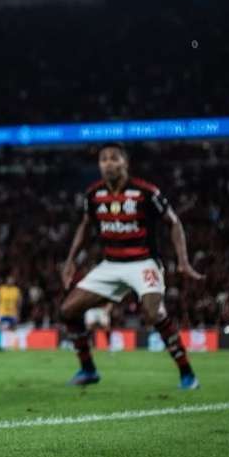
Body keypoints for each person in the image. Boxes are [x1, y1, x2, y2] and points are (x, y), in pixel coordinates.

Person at [60, 143, 204, 389]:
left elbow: (174, 222)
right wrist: (70, 259)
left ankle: (187, 374)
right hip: (111, 265)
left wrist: (183, 260)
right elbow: (85, 225)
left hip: (143, 263)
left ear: (125, 163)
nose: (108, 163)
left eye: (114, 158)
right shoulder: (93, 195)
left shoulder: (146, 192)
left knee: (152, 314)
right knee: (67, 310)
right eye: (103, 159)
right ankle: (88, 370)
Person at [0, 275, 21, 352]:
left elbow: (18, 302)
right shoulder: (1, 289)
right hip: (1, 312)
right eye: (8, 280)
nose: (10, 282)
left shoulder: (16, 290)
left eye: (11, 280)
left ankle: (15, 346)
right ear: (6, 281)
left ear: (14, 282)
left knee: (14, 329)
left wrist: (18, 313)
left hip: (12, 313)